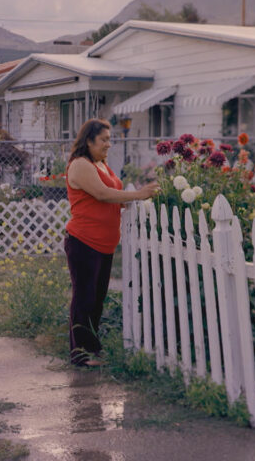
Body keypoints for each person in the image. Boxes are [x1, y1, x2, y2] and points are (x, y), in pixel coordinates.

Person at [64, 119, 158, 367]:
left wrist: (131, 201)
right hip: (84, 241)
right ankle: (80, 354)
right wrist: (139, 194)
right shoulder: (81, 165)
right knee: (84, 298)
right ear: (89, 141)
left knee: (97, 299)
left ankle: (92, 348)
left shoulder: (101, 164)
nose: (109, 144)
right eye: (104, 139)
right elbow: (103, 194)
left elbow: (113, 195)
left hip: (103, 244)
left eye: (109, 139)